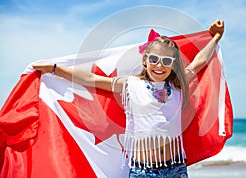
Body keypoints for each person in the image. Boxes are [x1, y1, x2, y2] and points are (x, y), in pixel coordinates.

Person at [32, 20, 224, 178]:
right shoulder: (130, 85)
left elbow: (199, 62)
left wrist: (215, 37)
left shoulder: (177, 86)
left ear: (173, 65)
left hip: (176, 168)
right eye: (154, 59)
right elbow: (91, 79)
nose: (159, 65)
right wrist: (55, 69)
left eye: (166, 61)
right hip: (143, 171)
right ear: (145, 60)